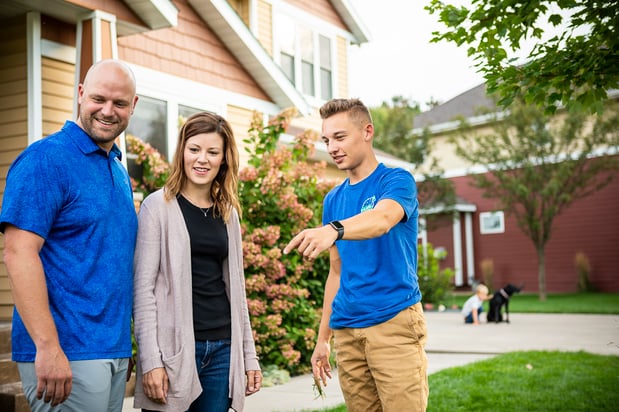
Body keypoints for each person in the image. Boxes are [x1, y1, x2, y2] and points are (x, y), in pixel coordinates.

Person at [0, 59, 139, 410]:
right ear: (80, 95)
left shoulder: (117, 170)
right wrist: (47, 347)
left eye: (119, 103)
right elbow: (18, 253)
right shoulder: (45, 160)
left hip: (110, 350)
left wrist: (124, 346)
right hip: (66, 352)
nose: (108, 111)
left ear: (133, 106)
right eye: (98, 99)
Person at [284, 98, 428, 412]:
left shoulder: (396, 181)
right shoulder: (332, 200)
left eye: (339, 137)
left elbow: (382, 219)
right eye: (326, 140)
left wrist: (333, 229)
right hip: (347, 330)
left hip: (393, 323)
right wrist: (323, 339)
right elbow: (336, 273)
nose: (332, 147)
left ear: (367, 131)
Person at [132, 112, 262, 412]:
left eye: (212, 152)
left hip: (222, 348)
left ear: (223, 160)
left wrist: (249, 356)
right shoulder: (157, 207)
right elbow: (143, 291)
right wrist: (150, 360)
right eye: (195, 149)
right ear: (182, 152)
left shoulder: (228, 213)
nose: (202, 159)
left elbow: (237, 291)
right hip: (173, 350)